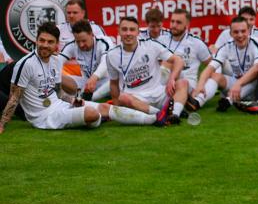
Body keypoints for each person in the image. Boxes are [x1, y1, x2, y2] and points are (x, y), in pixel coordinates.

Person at [0, 23, 165, 134]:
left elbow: (58, 93)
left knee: (104, 107)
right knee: (92, 113)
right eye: (41, 40)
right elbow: (14, 98)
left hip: (60, 105)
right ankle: (97, 118)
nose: (45, 45)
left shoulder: (55, 61)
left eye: (50, 42)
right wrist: (2, 124)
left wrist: (73, 101)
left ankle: (155, 118)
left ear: (56, 45)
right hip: (44, 117)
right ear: (36, 40)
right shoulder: (25, 64)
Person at [106, 17, 186, 126]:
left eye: (132, 30)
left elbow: (178, 60)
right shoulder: (112, 55)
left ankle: (175, 114)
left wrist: (172, 79)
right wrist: (117, 109)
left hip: (160, 94)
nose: (128, 33)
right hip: (137, 100)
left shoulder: (151, 45)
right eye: (124, 29)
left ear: (138, 32)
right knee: (123, 97)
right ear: (118, 31)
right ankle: (161, 114)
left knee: (183, 83)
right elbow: (113, 84)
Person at [197, 17, 258, 114]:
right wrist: (200, 84)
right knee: (214, 75)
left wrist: (238, 84)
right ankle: (198, 101)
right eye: (236, 32)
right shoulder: (227, 46)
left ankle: (229, 100)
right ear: (230, 33)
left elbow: (257, 69)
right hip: (236, 84)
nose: (240, 35)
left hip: (257, 88)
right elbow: (210, 67)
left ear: (249, 31)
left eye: (243, 31)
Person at [163, 9, 212, 114]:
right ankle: (177, 107)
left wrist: (202, 84)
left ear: (187, 24)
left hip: (187, 85)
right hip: (165, 82)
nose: (174, 25)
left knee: (181, 80)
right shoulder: (162, 40)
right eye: (172, 21)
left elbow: (213, 65)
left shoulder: (196, 43)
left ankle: (177, 108)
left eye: (178, 22)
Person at [60, 20, 113, 102]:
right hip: (86, 83)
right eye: (78, 41)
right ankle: (78, 97)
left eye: (84, 41)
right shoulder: (72, 45)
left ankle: (88, 99)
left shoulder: (104, 42)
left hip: (106, 81)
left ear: (92, 34)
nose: (81, 45)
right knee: (58, 77)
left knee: (116, 81)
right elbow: (58, 61)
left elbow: (106, 62)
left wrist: (94, 77)